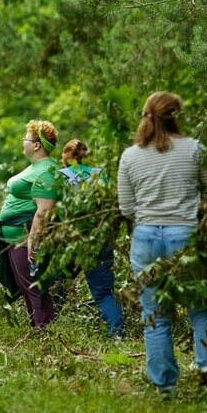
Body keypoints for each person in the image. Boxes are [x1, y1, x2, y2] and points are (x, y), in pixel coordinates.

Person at [118, 91, 207, 396]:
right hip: (185, 236)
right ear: (177, 115)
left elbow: (126, 208)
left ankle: (165, 386)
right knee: (200, 308)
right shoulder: (194, 149)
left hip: (146, 238)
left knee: (155, 313)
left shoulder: (130, 156)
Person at [0, 120, 61, 329]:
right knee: (25, 285)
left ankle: (43, 330)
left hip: (25, 237)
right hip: (14, 237)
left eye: (26, 139)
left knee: (33, 285)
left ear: (37, 144)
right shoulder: (35, 167)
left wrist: (33, 239)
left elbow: (44, 209)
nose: (23, 142)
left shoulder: (47, 170)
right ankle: (39, 327)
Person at [57, 139, 124, 337]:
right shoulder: (100, 175)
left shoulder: (60, 177)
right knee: (103, 293)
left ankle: (45, 326)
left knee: (54, 283)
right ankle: (117, 335)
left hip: (70, 242)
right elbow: (116, 205)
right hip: (99, 240)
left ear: (66, 156)